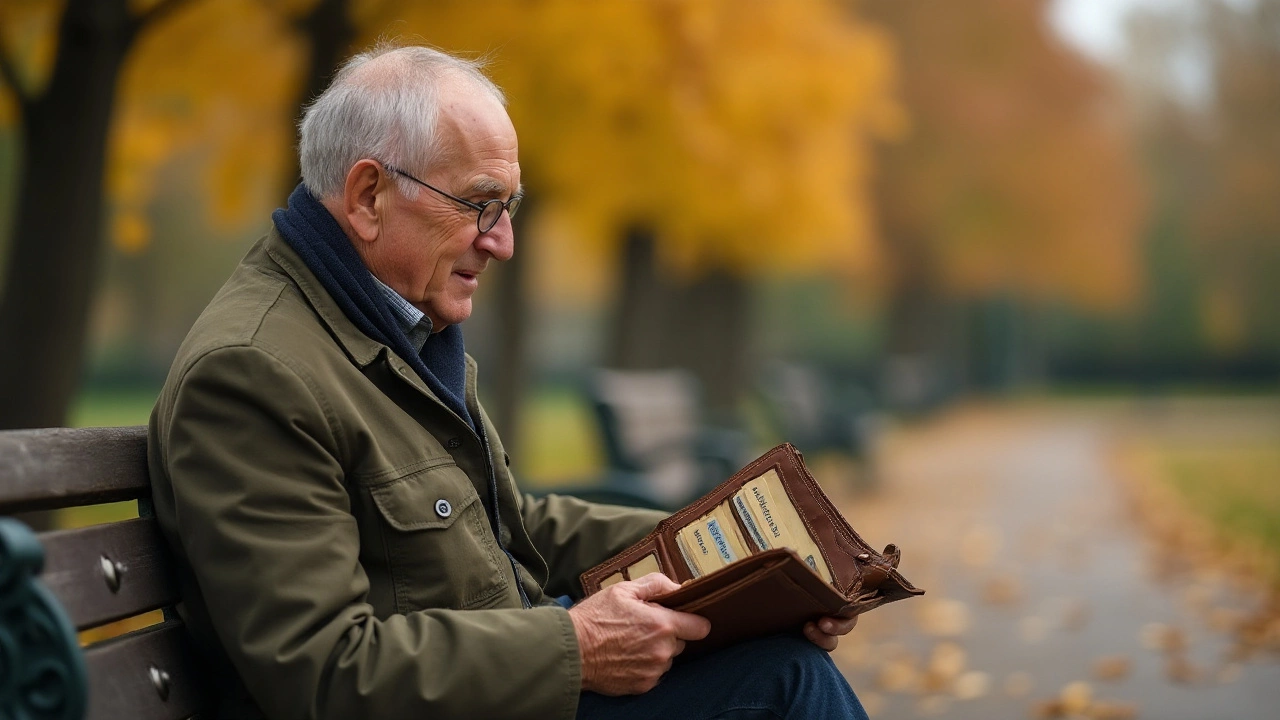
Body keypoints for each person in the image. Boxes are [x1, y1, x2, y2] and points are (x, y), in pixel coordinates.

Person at [147, 43, 868, 720]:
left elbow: (511, 526)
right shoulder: (255, 372)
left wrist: (740, 566)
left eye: (509, 208)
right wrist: (573, 648)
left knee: (777, 652)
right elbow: (323, 670)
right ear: (368, 196)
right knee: (785, 681)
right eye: (479, 203)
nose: (503, 241)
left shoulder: (386, 329)